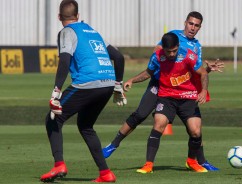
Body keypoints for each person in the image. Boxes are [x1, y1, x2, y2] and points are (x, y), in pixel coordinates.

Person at [103, 11, 223, 171]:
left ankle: (200, 160)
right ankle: (113, 144)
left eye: (196, 25)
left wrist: (207, 69)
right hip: (159, 84)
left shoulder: (196, 47)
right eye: (191, 23)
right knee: (140, 114)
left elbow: (196, 71)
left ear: (200, 27)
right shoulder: (173, 35)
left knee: (193, 128)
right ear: (185, 23)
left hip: (180, 89)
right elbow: (157, 51)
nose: (192, 28)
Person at [40, 0, 126, 182]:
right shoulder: (93, 32)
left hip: (87, 83)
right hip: (108, 84)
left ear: (59, 17)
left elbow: (64, 60)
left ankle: (59, 165)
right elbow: (118, 57)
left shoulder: (66, 32)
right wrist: (118, 84)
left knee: (53, 118)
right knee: (86, 126)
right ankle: (105, 173)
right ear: (78, 16)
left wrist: (56, 91)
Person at [135, 32, 208, 173]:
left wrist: (203, 91)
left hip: (187, 97)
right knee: (159, 123)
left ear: (178, 46)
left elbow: (203, 73)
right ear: (163, 49)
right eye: (169, 52)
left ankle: (192, 161)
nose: (172, 54)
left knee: (195, 130)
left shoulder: (189, 55)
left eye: (174, 51)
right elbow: (148, 73)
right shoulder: (157, 56)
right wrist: (132, 80)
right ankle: (148, 164)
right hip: (167, 97)